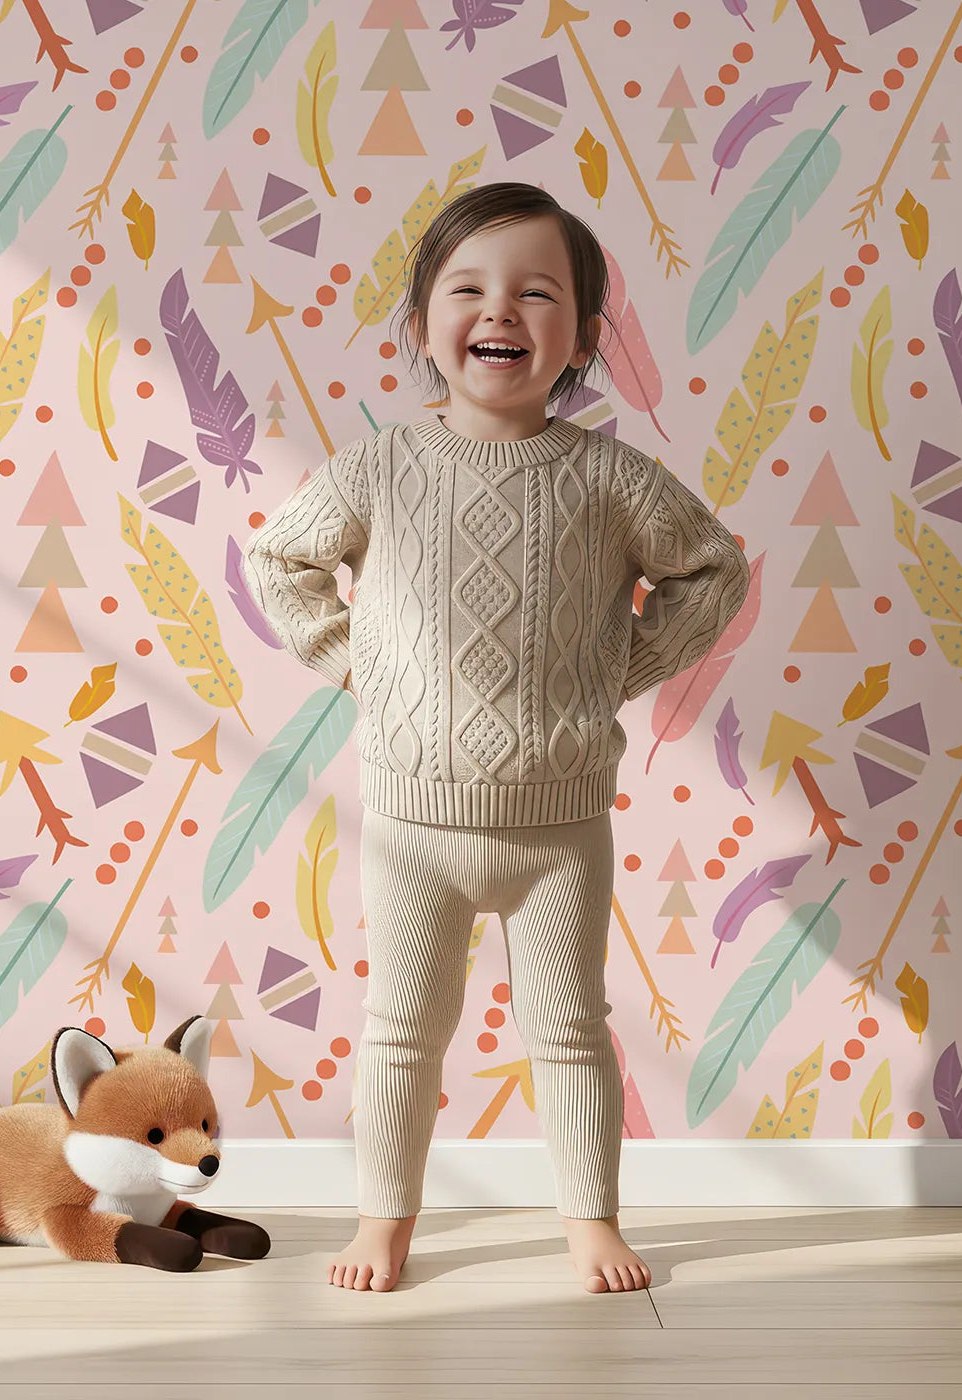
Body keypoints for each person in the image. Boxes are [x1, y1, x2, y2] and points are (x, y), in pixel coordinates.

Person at [241, 181, 750, 1294]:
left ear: (578, 332)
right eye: (467, 288)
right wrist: (359, 662)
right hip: (411, 823)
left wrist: (622, 669)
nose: (499, 310)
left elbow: (711, 568)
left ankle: (590, 1224)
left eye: (536, 291)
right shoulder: (379, 465)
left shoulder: (607, 476)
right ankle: (383, 1222)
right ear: (426, 319)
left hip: (557, 826)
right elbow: (277, 557)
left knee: (569, 1028)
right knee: (399, 1032)